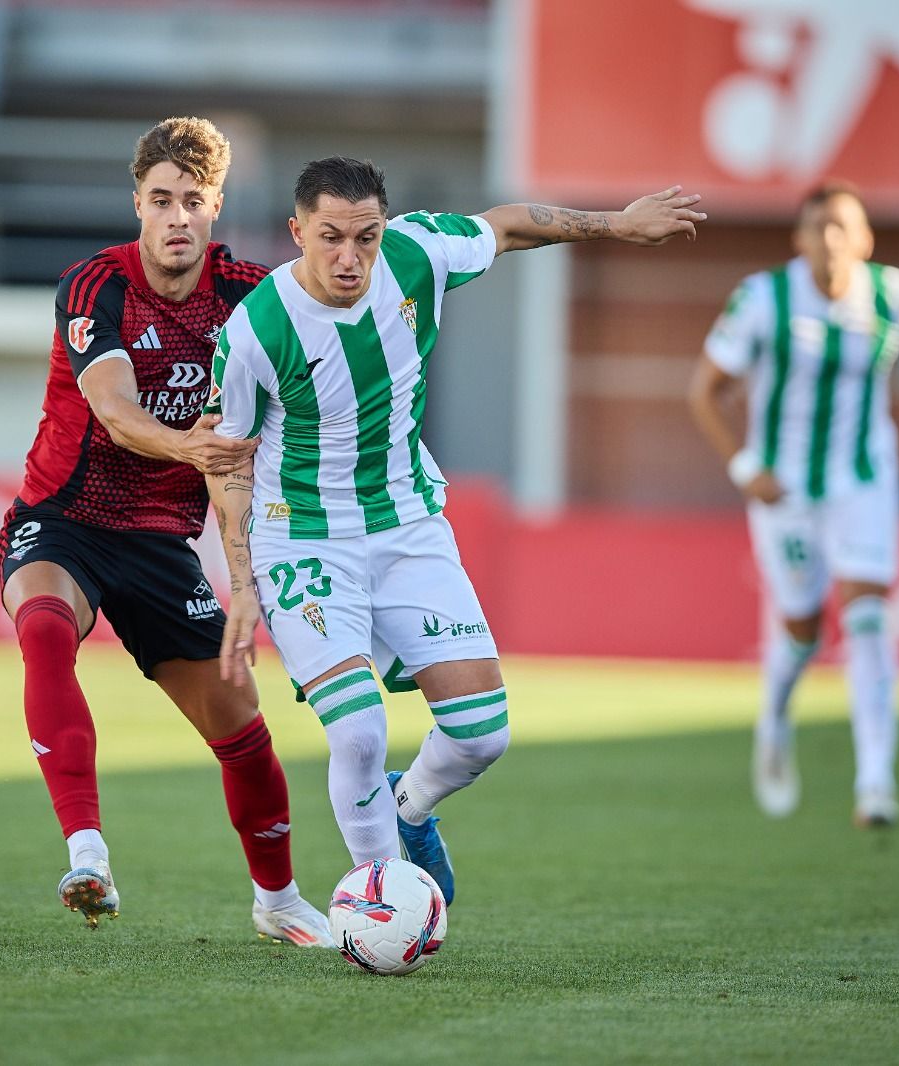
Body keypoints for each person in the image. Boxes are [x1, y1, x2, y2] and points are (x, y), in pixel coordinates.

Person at [204, 156, 705, 902]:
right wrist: (242, 583)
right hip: (302, 536)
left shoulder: (417, 252)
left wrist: (619, 225)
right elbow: (228, 460)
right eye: (331, 238)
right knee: (360, 732)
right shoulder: (256, 329)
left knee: (481, 734)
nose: (351, 258)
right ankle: (383, 898)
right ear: (298, 231)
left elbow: (505, 226)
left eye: (366, 237)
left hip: (408, 524)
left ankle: (407, 810)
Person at [0, 117, 332, 945]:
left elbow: (254, 438)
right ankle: (87, 851)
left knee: (241, 723)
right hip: (61, 519)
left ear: (217, 207)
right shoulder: (95, 284)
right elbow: (112, 411)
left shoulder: (250, 297)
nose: (176, 217)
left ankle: (279, 900)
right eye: (160, 200)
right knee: (44, 629)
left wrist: (247, 578)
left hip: (158, 541)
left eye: (192, 201)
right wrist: (195, 444)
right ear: (137, 204)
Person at [687, 180, 899, 828]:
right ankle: (775, 718)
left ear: (865, 239)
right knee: (803, 631)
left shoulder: (896, 295)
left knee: (867, 619)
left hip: (863, 480)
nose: (830, 239)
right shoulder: (763, 299)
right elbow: (705, 390)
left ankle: (875, 783)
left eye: (843, 227)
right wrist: (745, 466)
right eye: (818, 227)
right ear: (799, 239)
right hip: (786, 490)